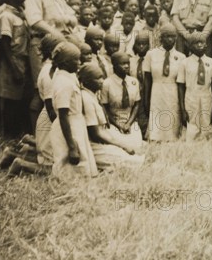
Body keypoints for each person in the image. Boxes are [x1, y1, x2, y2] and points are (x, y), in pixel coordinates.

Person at [24, 0, 77, 133]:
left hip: (60, 45)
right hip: (42, 45)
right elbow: (35, 21)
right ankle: (36, 133)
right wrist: (56, 33)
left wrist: (67, 22)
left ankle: (55, 130)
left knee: (58, 85)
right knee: (43, 87)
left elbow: (72, 16)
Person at [78, 64, 144, 170]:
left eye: (102, 77)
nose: (102, 81)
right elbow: (96, 134)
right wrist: (122, 145)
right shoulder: (86, 99)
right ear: (87, 81)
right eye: (97, 78)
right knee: (130, 161)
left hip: (100, 141)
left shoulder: (93, 95)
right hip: (92, 145)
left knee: (130, 153)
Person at [49, 41, 98, 178]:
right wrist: (71, 146)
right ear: (65, 63)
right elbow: (63, 115)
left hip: (75, 125)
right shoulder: (64, 83)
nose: (79, 62)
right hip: (69, 127)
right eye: (75, 60)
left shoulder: (67, 78)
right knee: (68, 167)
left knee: (79, 166)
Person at [0, 0, 32, 138]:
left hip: (24, 61)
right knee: (11, 101)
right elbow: (4, 43)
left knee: (22, 100)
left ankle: (20, 134)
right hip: (13, 61)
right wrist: (14, 68)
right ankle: (9, 136)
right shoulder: (6, 16)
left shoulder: (21, 14)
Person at [143, 23, 186, 142]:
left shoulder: (181, 57)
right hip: (156, 92)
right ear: (160, 37)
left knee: (172, 124)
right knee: (156, 126)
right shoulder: (151, 54)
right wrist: (146, 101)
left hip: (173, 92)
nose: (170, 39)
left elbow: (182, 83)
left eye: (172, 36)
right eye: (167, 36)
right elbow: (147, 79)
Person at [100, 52, 145, 152]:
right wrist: (118, 125)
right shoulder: (107, 83)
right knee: (119, 146)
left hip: (130, 120)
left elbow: (137, 104)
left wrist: (128, 124)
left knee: (136, 145)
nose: (126, 66)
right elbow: (104, 108)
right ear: (114, 65)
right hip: (114, 121)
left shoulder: (134, 82)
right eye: (122, 64)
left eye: (128, 63)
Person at [177, 32, 212, 142]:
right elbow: (180, 86)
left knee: (206, 123)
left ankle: (206, 147)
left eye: (202, 42)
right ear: (189, 46)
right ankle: (191, 147)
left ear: (206, 45)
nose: (200, 45)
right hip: (191, 97)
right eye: (196, 43)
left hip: (206, 96)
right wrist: (182, 109)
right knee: (192, 124)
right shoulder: (184, 63)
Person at [34, 33, 65, 167]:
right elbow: (49, 107)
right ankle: (20, 163)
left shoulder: (56, 69)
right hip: (49, 121)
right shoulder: (48, 73)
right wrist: (60, 128)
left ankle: (22, 152)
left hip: (53, 118)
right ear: (53, 52)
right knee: (51, 165)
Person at [130, 31, 151, 139]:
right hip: (134, 95)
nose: (141, 46)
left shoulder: (152, 60)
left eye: (144, 44)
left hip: (148, 94)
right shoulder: (130, 61)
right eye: (139, 44)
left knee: (146, 115)